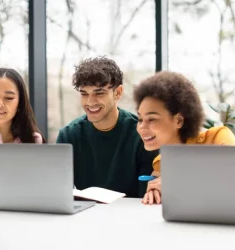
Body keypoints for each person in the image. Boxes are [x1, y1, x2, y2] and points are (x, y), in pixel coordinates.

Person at [56, 56, 159, 198]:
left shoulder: (142, 134)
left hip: (130, 214)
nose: (90, 102)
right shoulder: (68, 135)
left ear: (117, 93)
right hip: (85, 215)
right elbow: (59, 191)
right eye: (84, 94)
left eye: (99, 93)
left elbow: (148, 194)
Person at [133, 71, 235, 205]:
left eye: (152, 119)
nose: (142, 127)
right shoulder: (160, 162)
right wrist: (155, 192)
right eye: (140, 119)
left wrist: (178, 184)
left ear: (179, 121)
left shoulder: (218, 138)